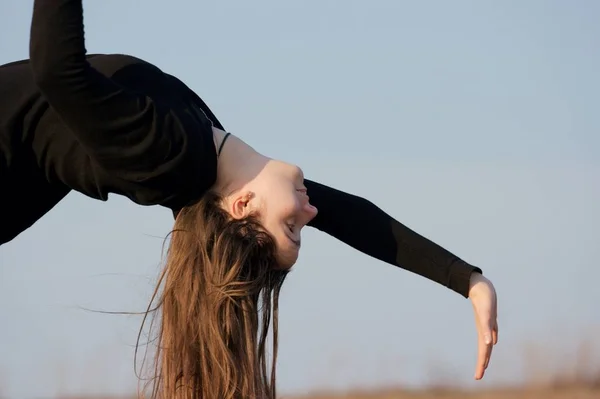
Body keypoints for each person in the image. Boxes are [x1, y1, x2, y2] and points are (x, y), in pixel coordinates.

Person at [0, 1, 498, 398]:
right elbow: (354, 218)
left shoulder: (169, 154)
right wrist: (468, 281)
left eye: (291, 228)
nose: (311, 211)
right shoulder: (206, 160)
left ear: (241, 207)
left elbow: (58, 71)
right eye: (303, 227)